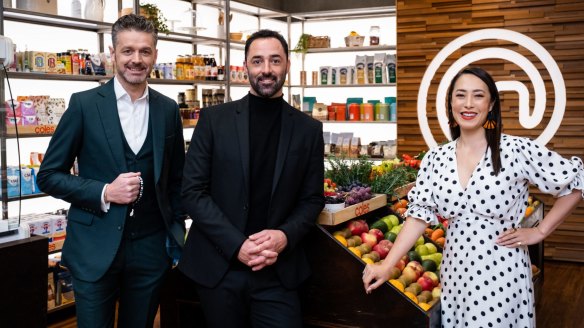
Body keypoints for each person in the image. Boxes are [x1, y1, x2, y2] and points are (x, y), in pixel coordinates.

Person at [362, 67, 583, 327]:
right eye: (460, 95)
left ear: (491, 105)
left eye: (478, 96)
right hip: (455, 272)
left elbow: (576, 180)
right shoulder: (436, 158)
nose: (468, 104)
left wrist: (540, 231)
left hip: (502, 272)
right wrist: (387, 265)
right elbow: (418, 216)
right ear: (451, 103)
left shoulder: (515, 149)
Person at [36, 14, 186, 327]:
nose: (136, 59)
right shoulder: (84, 105)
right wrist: (104, 191)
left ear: (155, 55)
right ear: (112, 52)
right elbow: (49, 175)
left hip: (150, 250)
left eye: (145, 51)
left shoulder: (168, 109)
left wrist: (173, 236)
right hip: (94, 248)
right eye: (128, 50)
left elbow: (176, 181)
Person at [179, 29, 325, 327]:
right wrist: (237, 245)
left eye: (275, 60)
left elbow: (312, 199)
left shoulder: (308, 129)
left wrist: (284, 236)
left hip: (278, 271)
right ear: (245, 66)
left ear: (287, 65)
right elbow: (192, 192)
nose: (267, 70)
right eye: (257, 61)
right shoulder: (214, 120)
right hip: (220, 268)